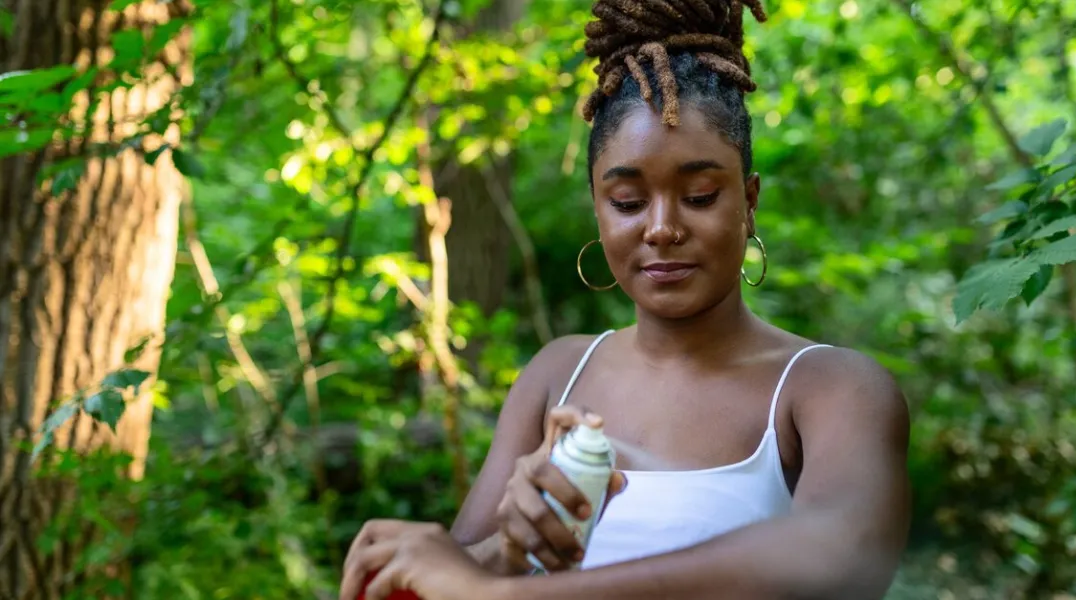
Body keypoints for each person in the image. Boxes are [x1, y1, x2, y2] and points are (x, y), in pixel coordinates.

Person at [339, 1, 912, 598]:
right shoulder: (557, 373)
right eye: (628, 203)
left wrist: (507, 594)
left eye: (700, 195)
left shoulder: (831, 387)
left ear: (749, 202)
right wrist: (506, 553)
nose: (661, 228)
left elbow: (845, 550)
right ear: (598, 209)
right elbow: (453, 578)